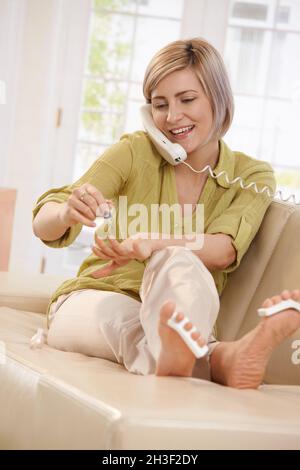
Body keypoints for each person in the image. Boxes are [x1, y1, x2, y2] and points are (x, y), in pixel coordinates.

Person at [32, 38, 300, 389]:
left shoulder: (251, 175)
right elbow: (43, 225)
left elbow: (224, 249)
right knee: (124, 322)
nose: (173, 117)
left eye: (187, 100)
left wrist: (153, 243)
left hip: (182, 313)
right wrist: (67, 212)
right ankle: (218, 359)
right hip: (96, 298)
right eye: (160, 105)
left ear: (218, 99)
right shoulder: (133, 152)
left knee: (179, 259)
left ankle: (183, 352)